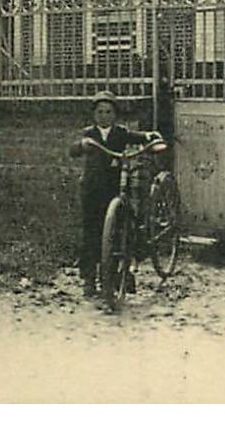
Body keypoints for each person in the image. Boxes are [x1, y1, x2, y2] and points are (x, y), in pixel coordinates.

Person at [68, 91, 156, 299]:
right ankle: (89, 280)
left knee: (116, 231)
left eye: (108, 112)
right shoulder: (89, 134)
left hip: (112, 189)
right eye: (100, 112)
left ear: (115, 114)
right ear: (94, 115)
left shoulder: (120, 133)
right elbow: (73, 149)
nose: (104, 116)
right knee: (92, 233)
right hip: (92, 190)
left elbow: (138, 137)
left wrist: (149, 136)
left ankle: (115, 275)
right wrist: (81, 145)